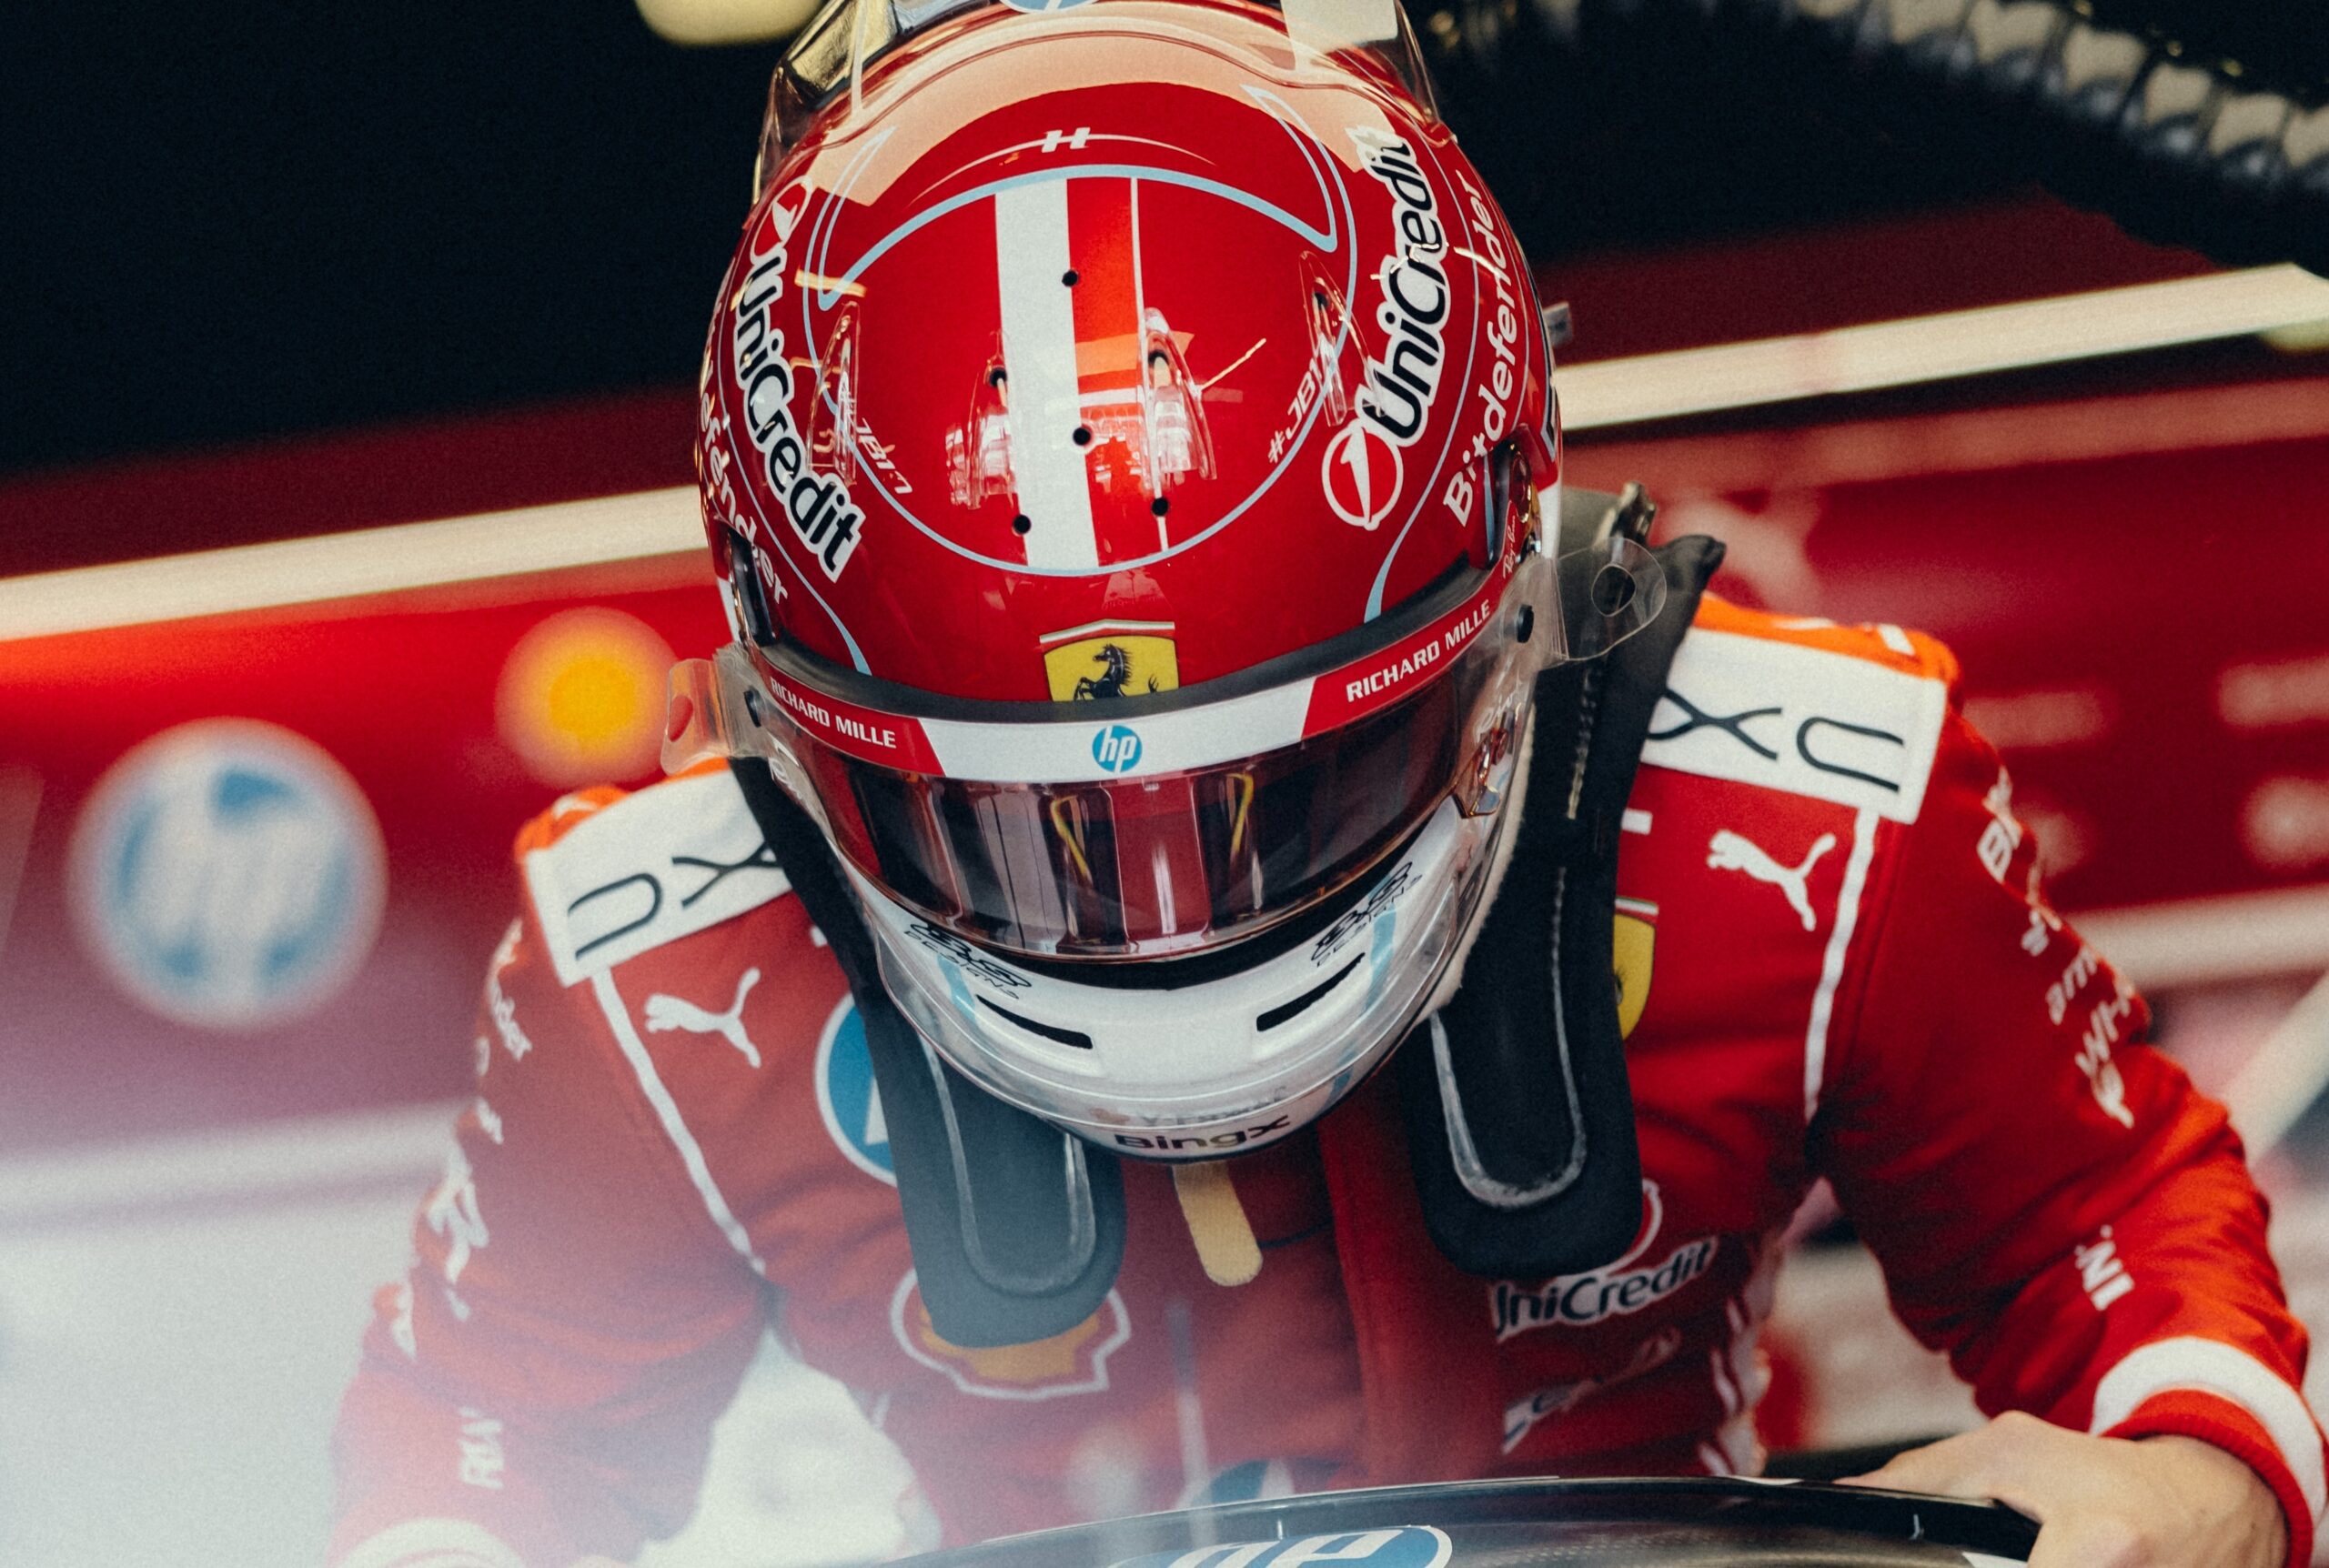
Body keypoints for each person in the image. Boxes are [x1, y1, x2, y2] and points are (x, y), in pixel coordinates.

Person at [328, 1, 2324, 1564]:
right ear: (775, 719)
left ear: (1511, 595)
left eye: (1281, 786)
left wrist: (2196, 1462)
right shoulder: (650, 956)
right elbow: (482, 1443)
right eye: (1020, 825)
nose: (1166, 914)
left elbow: (2102, 1220)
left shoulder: (1813, 805)